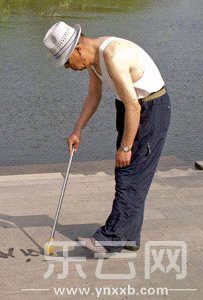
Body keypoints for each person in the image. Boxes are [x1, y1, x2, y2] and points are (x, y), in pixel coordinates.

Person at [43, 21, 171, 255]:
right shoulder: (93, 59)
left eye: (67, 62)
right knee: (130, 173)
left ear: (78, 49)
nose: (67, 68)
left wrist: (126, 147)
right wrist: (77, 130)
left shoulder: (112, 55)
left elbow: (135, 107)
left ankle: (110, 238)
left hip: (149, 109)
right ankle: (129, 235)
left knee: (130, 174)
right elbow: (94, 95)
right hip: (130, 108)